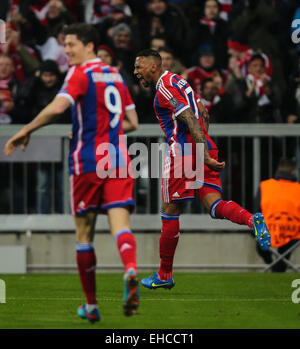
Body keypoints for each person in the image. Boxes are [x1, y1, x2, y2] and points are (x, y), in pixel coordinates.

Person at [4, 23, 139, 322]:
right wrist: (103, 130)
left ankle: (91, 305)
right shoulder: (115, 74)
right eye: (64, 45)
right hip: (116, 159)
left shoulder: (81, 74)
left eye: (72, 45)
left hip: (87, 161)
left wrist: (26, 130)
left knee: (84, 235)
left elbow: (57, 106)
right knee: (120, 225)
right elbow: (132, 122)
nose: (66, 51)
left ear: (90, 46)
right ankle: (130, 268)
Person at [133, 49, 271, 289]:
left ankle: (164, 275)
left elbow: (189, 117)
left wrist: (201, 154)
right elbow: (203, 114)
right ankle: (252, 219)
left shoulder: (164, 87)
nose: (135, 72)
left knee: (169, 211)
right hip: (203, 144)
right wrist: (204, 148)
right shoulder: (180, 81)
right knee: (214, 205)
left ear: (153, 67)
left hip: (184, 151)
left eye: (139, 67)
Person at [255, 158, 300, 272]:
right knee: (286, 248)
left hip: (268, 229)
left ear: (277, 172)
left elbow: (256, 211)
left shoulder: (264, 186)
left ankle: (273, 266)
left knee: (261, 244)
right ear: (293, 172)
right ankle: (278, 268)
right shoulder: (298, 189)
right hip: (293, 231)